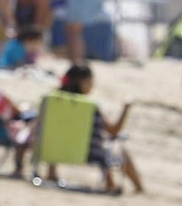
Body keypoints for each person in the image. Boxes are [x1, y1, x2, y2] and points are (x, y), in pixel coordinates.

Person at [48, 63, 143, 195]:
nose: (92, 84)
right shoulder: (89, 107)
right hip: (89, 154)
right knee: (117, 148)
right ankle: (137, 187)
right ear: (82, 81)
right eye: (90, 81)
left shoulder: (51, 103)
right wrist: (126, 108)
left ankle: (51, 172)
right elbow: (114, 130)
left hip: (54, 150)